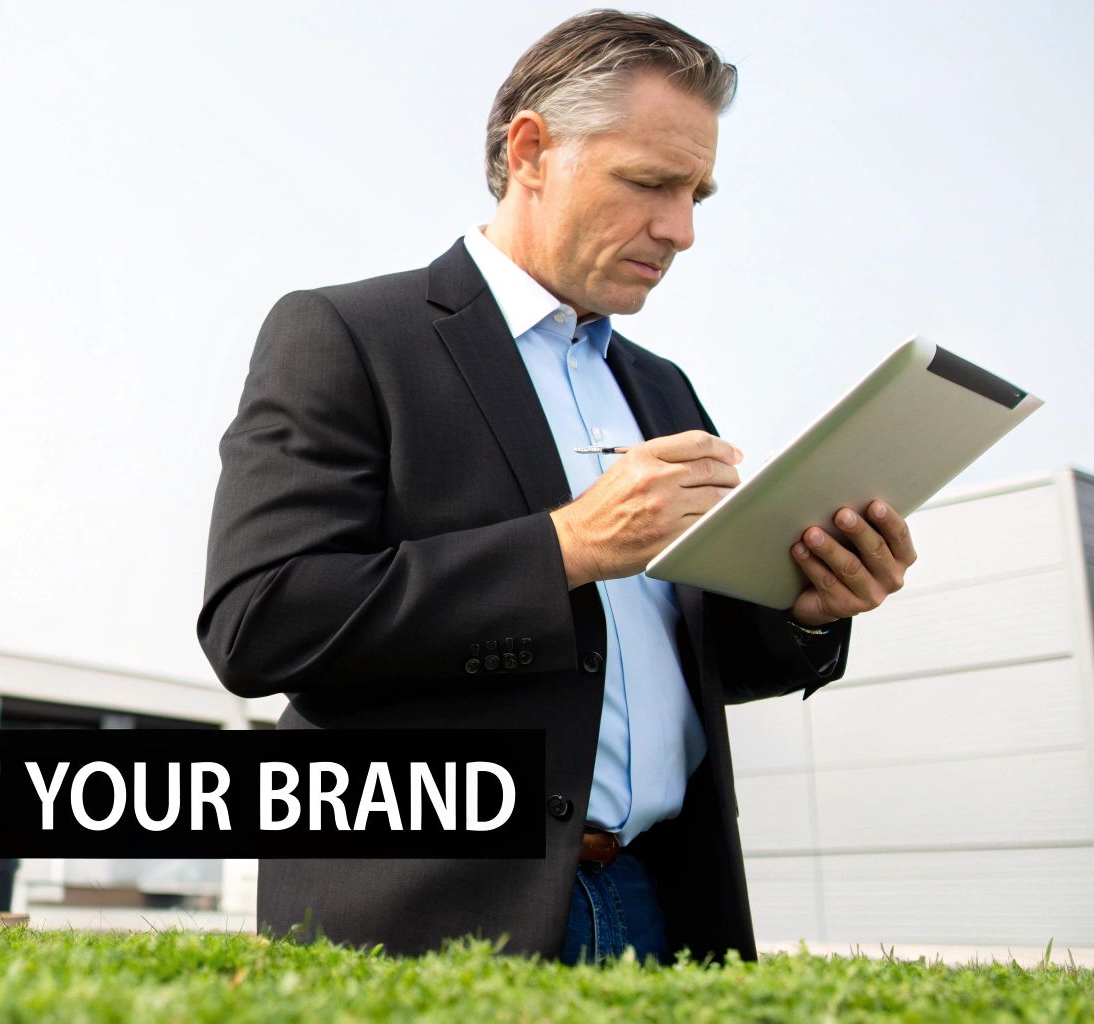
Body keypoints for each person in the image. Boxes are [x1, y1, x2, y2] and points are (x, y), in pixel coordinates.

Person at [197, 9, 918, 966]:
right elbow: (261, 622)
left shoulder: (662, 388)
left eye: (699, 192)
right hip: (432, 918)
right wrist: (568, 546)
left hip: (667, 901)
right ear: (531, 149)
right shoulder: (349, 337)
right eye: (651, 183)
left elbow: (684, 663)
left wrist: (810, 612)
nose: (683, 230)